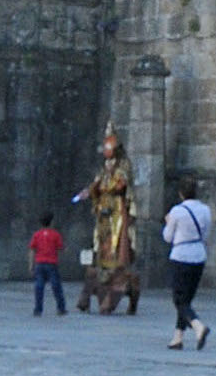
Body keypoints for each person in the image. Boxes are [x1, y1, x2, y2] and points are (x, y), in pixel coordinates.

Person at [73, 129, 139, 314]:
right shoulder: (104, 167)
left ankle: (116, 273)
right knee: (102, 239)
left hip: (117, 209)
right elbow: (97, 183)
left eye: (108, 147)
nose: (105, 151)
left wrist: (104, 186)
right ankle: (101, 271)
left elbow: (121, 185)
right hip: (103, 209)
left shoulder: (123, 165)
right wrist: (89, 191)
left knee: (117, 241)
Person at [161, 178, 211, 351]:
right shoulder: (205, 210)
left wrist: (168, 222)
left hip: (181, 255)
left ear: (181, 193)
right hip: (199, 254)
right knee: (187, 299)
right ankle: (178, 337)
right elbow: (206, 234)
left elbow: (167, 237)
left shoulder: (177, 211)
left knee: (179, 299)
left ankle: (198, 326)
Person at [29, 213, 67, 315]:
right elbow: (61, 248)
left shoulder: (36, 235)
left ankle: (38, 309)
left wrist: (31, 265)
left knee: (39, 287)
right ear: (51, 222)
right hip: (52, 263)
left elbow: (32, 250)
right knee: (56, 286)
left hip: (39, 263)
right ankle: (61, 308)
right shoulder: (56, 234)